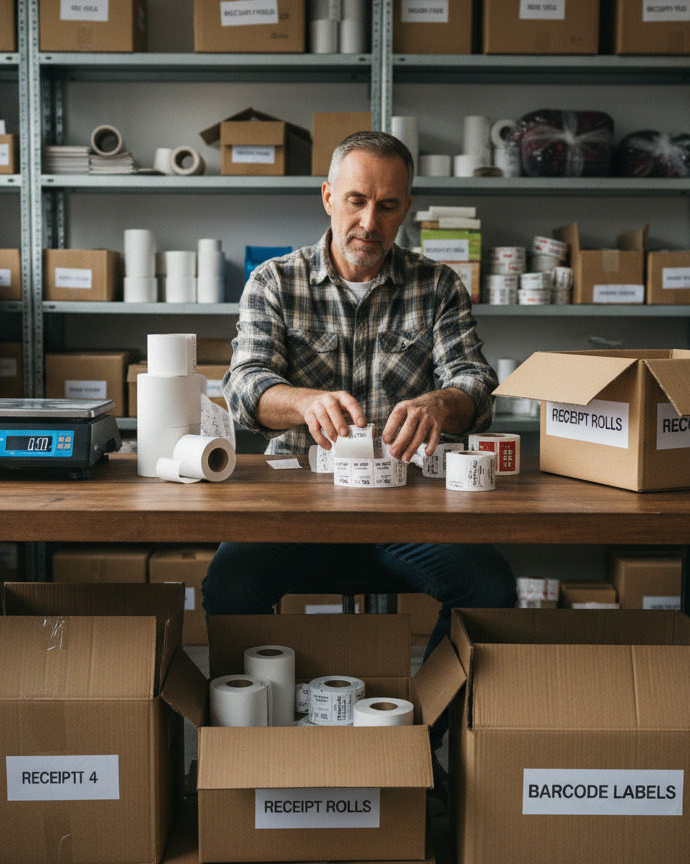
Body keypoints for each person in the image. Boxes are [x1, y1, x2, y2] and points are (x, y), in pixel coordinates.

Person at [203, 130, 517, 663]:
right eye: (356, 200)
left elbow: (477, 383)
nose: (370, 223)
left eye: (388, 206)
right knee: (228, 589)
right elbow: (243, 387)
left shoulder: (437, 285)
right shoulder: (274, 282)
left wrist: (443, 403)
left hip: (408, 504)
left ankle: (427, 732)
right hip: (296, 506)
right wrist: (303, 402)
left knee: (492, 591)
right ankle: (253, 736)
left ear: (406, 209)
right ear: (328, 196)